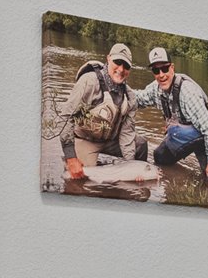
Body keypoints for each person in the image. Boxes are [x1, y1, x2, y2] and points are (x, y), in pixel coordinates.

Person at [131, 45, 208, 185]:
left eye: (165, 68)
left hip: (205, 137)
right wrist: (117, 86)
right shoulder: (155, 89)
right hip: (182, 134)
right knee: (159, 157)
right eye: (156, 70)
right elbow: (137, 98)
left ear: (172, 68)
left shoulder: (188, 93)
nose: (161, 75)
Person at [53, 42, 142, 180]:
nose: (121, 69)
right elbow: (66, 118)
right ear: (108, 58)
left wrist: (131, 167)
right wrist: (70, 157)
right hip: (85, 139)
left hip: (111, 141)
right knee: (79, 177)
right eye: (117, 62)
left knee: (141, 145)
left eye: (126, 66)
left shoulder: (130, 96)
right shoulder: (89, 81)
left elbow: (127, 133)